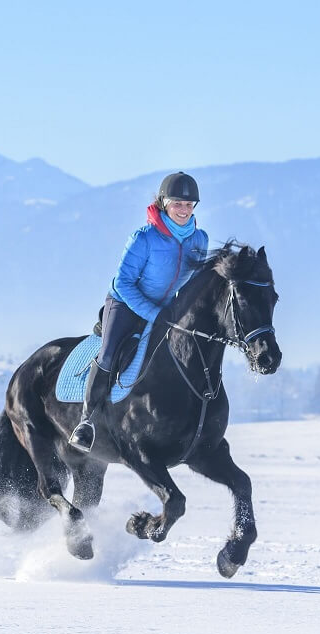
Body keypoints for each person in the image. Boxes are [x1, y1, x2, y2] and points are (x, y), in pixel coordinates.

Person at [69, 171, 209, 452]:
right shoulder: (144, 238)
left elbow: (194, 284)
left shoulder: (200, 239)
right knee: (109, 354)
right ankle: (87, 422)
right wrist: (154, 313)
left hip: (167, 309)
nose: (184, 210)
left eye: (189, 205)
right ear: (163, 204)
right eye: (178, 204)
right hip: (125, 302)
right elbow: (123, 282)